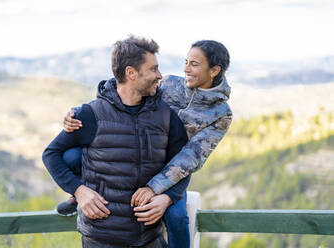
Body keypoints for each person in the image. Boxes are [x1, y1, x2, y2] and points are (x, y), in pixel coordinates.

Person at [60, 39, 233, 248]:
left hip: (172, 169)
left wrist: (156, 189)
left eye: (194, 64)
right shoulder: (169, 83)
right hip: (138, 151)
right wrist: (78, 113)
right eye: (186, 61)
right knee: (71, 156)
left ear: (214, 70)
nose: (186, 69)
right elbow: (127, 90)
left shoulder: (221, 114)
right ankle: (80, 194)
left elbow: (190, 157)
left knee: (177, 217)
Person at [42, 35, 190, 247]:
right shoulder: (90, 114)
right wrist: (79, 191)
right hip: (101, 238)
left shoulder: (167, 116)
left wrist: (167, 197)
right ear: (131, 73)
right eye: (153, 69)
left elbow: (183, 166)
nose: (159, 76)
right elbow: (51, 154)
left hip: (150, 239)